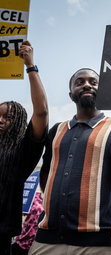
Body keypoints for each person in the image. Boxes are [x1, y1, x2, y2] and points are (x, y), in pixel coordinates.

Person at [28, 68, 111, 255]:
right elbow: (46, 174)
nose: (87, 84)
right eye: (79, 82)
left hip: (98, 243)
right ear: (71, 94)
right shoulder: (57, 130)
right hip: (47, 239)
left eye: (93, 82)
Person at [0, 41, 48, 255]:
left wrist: (30, 67)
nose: (1, 121)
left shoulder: (22, 152)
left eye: (7, 117)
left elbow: (42, 113)